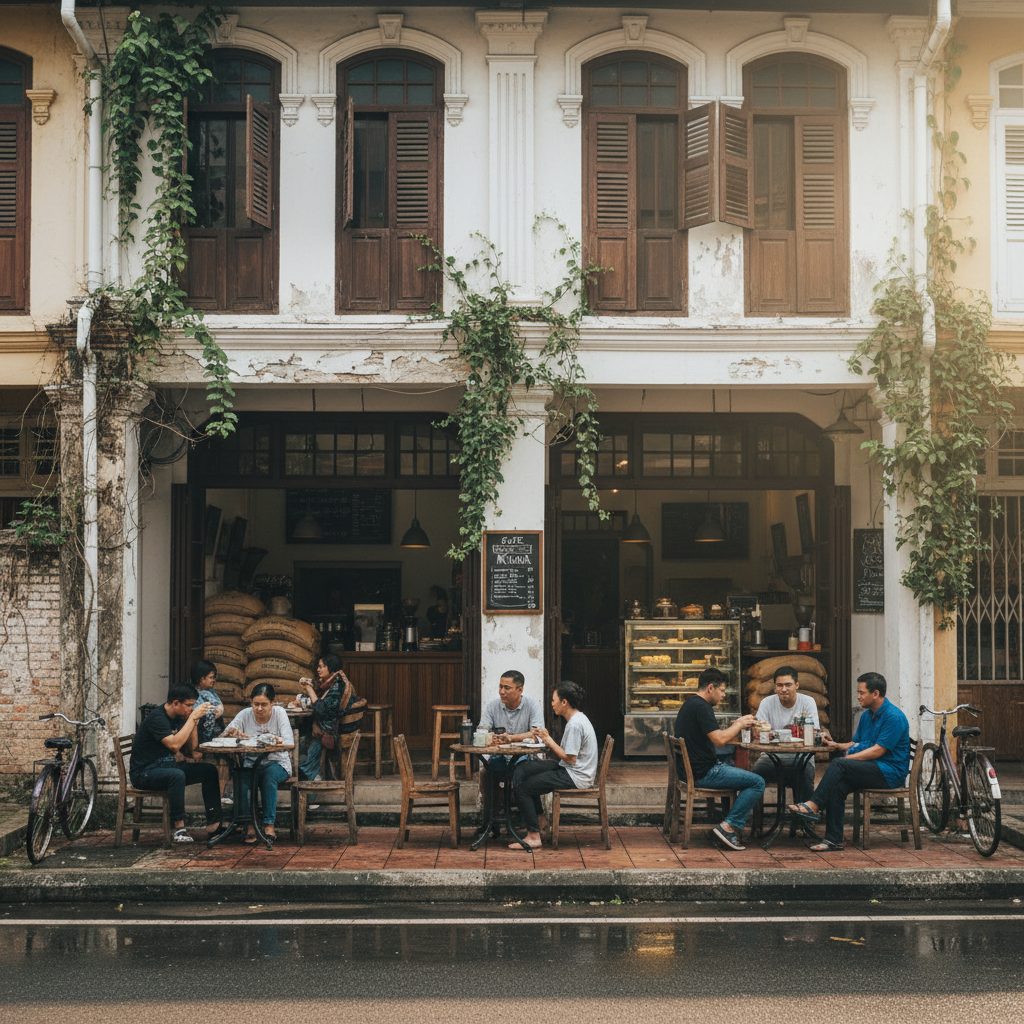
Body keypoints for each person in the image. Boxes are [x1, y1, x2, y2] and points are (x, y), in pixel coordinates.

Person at [788, 671, 910, 852]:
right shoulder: (867, 715)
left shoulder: (893, 717)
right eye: (858, 692)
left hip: (889, 773)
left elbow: (878, 750)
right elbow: (857, 743)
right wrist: (837, 745)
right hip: (873, 768)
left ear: (875, 694)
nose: (858, 696)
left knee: (839, 764)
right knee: (838, 786)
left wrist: (847, 759)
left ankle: (813, 805)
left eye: (861, 693)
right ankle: (833, 840)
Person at [674, 667, 763, 852]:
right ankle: (728, 827)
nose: (723, 695)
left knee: (732, 766)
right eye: (722, 691)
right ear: (710, 688)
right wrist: (738, 724)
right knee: (757, 782)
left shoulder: (690, 703)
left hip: (690, 770)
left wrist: (735, 727)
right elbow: (720, 740)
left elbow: (717, 737)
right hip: (704, 773)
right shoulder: (702, 707)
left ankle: (725, 825)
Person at [128, 681, 229, 844]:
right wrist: (193, 718)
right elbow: (175, 746)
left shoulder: (181, 717)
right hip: (144, 773)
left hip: (166, 767)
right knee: (177, 775)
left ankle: (214, 825)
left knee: (209, 770)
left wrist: (193, 722)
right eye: (188, 705)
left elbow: (194, 754)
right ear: (175, 703)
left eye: (192, 706)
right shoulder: (157, 718)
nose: (190, 709)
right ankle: (179, 829)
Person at [510, 680, 598, 851]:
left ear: (564, 702)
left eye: (553, 700)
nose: (552, 704)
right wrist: (547, 738)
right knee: (523, 769)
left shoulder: (575, 724)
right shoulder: (577, 719)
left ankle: (534, 836)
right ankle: (541, 821)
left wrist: (548, 740)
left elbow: (570, 759)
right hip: (570, 769)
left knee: (523, 789)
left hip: (575, 776)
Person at [475, 669, 545, 836]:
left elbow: (538, 735)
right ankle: (491, 821)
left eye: (507, 688)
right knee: (486, 774)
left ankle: (532, 822)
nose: (501, 692)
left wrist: (512, 738)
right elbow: (481, 731)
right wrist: (488, 738)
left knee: (522, 773)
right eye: (500, 687)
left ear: (520, 690)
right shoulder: (493, 706)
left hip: (525, 758)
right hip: (499, 757)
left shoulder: (532, 705)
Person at [223, 682, 294, 843]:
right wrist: (234, 734)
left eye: (264, 704)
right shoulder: (244, 715)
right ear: (251, 703)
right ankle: (250, 824)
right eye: (256, 704)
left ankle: (269, 824)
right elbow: (225, 735)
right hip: (250, 764)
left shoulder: (280, 713)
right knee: (242, 779)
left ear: (272, 704)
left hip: (277, 763)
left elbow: (289, 742)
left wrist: (276, 739)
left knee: (267, 777)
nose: (259, 709)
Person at [749, 665, 821, 803]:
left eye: (788, 685)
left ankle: (805, 818)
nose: (783, 689)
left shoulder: (808, 702)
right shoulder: (767, 703)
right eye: (779, 685)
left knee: (806, 774)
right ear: (775, 687)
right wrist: (761, 732)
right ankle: (757, 821)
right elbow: (757, 730)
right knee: (755, 776)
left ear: (797, 685)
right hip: (770, 757)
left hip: (802, 757)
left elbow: (814, 732)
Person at [290, 652, 352, 781]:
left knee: (303, 762)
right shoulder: (329, 684)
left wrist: (309, 688)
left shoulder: (336, 687)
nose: (318, 669)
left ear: (331, 668)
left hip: (326, 732)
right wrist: (301, 700)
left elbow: (321, 709)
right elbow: (319, 701)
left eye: (322, 666)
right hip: (322, 729)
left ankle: (306, 777)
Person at [190, 659, 232, 806]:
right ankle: (216, 798)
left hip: (215, 734)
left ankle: (221, 795)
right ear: (201, 678)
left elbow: (218, 707)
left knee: (226, 760)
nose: (214, 680)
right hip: (202, 735)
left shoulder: (210, 691)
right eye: (211, 677)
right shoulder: (193, 694)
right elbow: (203, 716)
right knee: (217, 762)